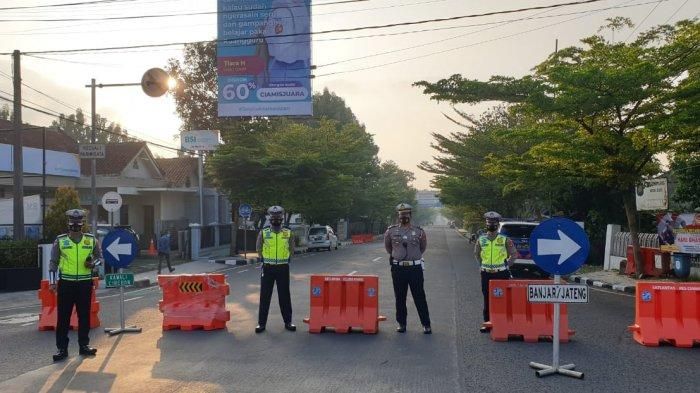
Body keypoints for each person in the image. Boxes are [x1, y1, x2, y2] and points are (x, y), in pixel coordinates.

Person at [49, 209, 102, 361]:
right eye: (73, 223)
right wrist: (53, 282)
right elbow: (53, 262)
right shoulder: (60, 241)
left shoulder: (91, 240)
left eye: (79, 223)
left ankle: (84, 346)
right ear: (69, 224)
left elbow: (100, 258)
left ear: (82, 224)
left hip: (85, 283)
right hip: (66, 283)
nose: (76, 227)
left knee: (84, 316)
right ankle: (62, 349)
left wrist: (93, 264)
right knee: (63, 317)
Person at [384, 203, 432, 334]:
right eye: (401, 215)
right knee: (400, 297)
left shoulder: (419, 231)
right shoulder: (391, 231)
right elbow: (389, 247)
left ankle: (426, 324)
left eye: (406, 215)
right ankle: (401, 323)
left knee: (419, 296)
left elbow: (422, 248)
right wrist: (397, 255)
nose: (403, 217)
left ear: (410, 215)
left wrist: (413, 257)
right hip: (398, 269)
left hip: (414, 268)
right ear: (398, 216)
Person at [255, 205, 296, 333]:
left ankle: (288, 322)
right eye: (273, 217)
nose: (276, 219)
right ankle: (261, 324)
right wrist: (265, 259)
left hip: (283, 268)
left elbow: (292, 248)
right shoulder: (264, 232)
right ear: (270, 218)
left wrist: (286, 258)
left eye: (278, 216)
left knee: (284, 296)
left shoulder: (288, 232)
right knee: (265, 296)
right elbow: (258, 248)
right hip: (267, 269)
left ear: (282, 218)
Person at [474, 211, 516, 333]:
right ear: (486, 224)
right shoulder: (481, 239)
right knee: (487, 298)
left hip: (501, 273)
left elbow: (514, 254)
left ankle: (503, 323)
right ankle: (487, 323)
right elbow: (476, 254)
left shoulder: (504, 239)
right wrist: (481, 265)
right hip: (486, 273)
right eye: (489, 222)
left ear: (497, 225)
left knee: (502, 298)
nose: (491, 224)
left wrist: (507, 265)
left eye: (493, 223)